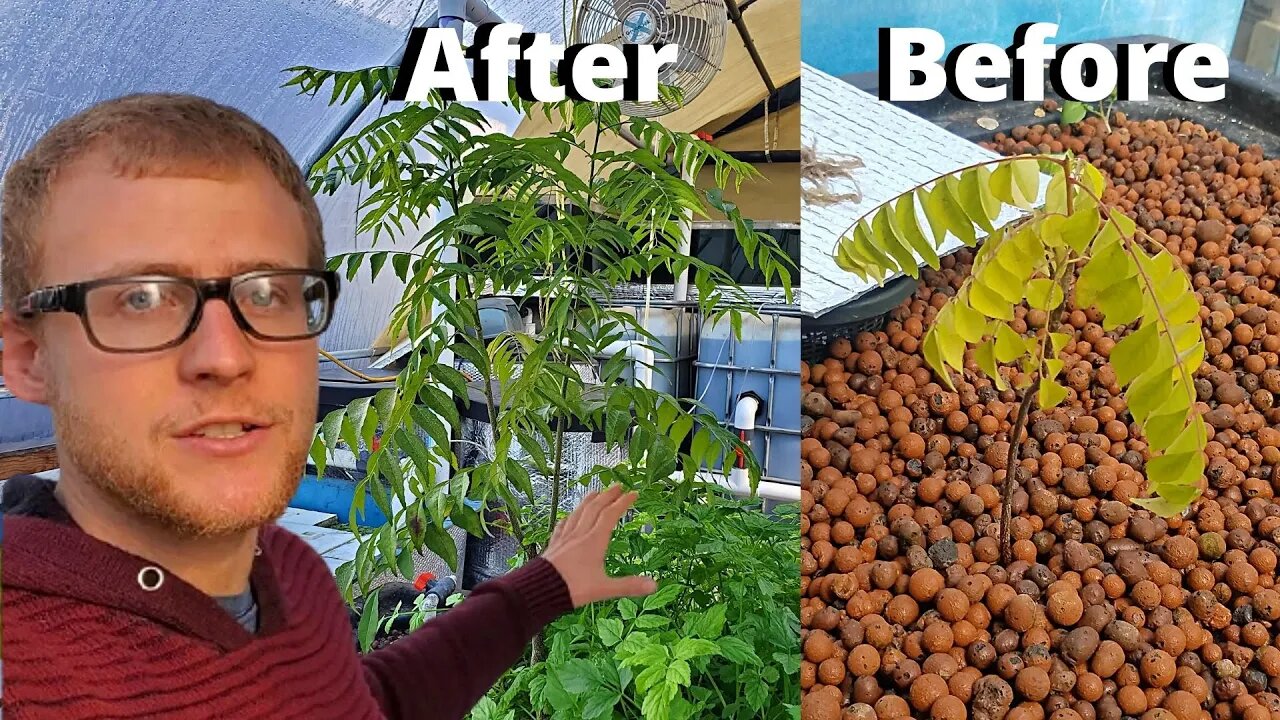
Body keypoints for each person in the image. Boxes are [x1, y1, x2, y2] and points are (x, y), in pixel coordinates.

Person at [0, 93, 656, 719]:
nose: (227, 356)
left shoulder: (290, 574)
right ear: (27, 355)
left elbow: (361, 702)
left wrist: (542, 587)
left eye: (268, 293)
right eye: (140, 298)